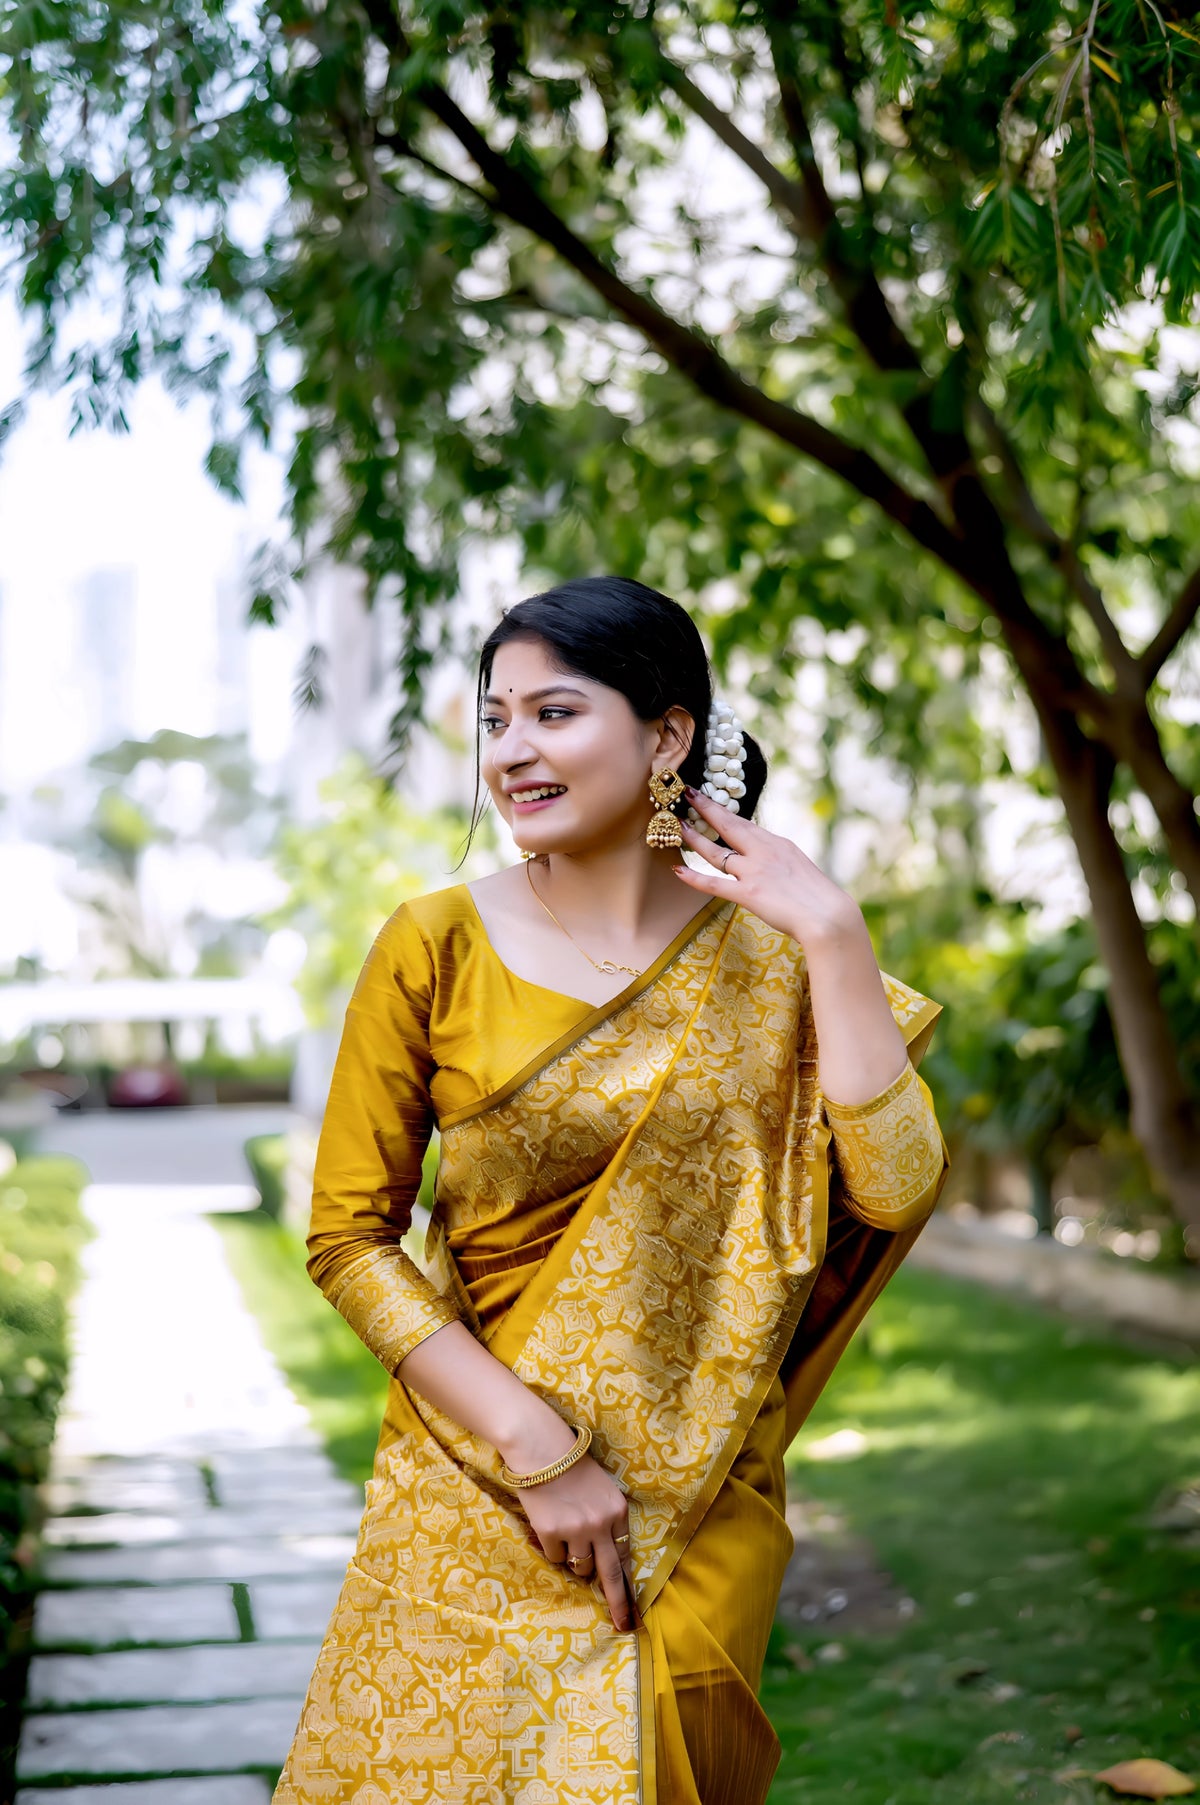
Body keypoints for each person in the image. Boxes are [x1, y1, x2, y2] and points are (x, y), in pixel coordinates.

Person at [274, 577, 948, 1805]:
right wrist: (537, 1447)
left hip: (696, 1496)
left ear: (669, 735)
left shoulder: (778, 957)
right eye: (495, 718)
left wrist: (835, 937)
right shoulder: (434, 944)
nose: (513, 749)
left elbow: (894, 1188)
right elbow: (347, 1238)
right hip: (476, 1471)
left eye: (554, 711)